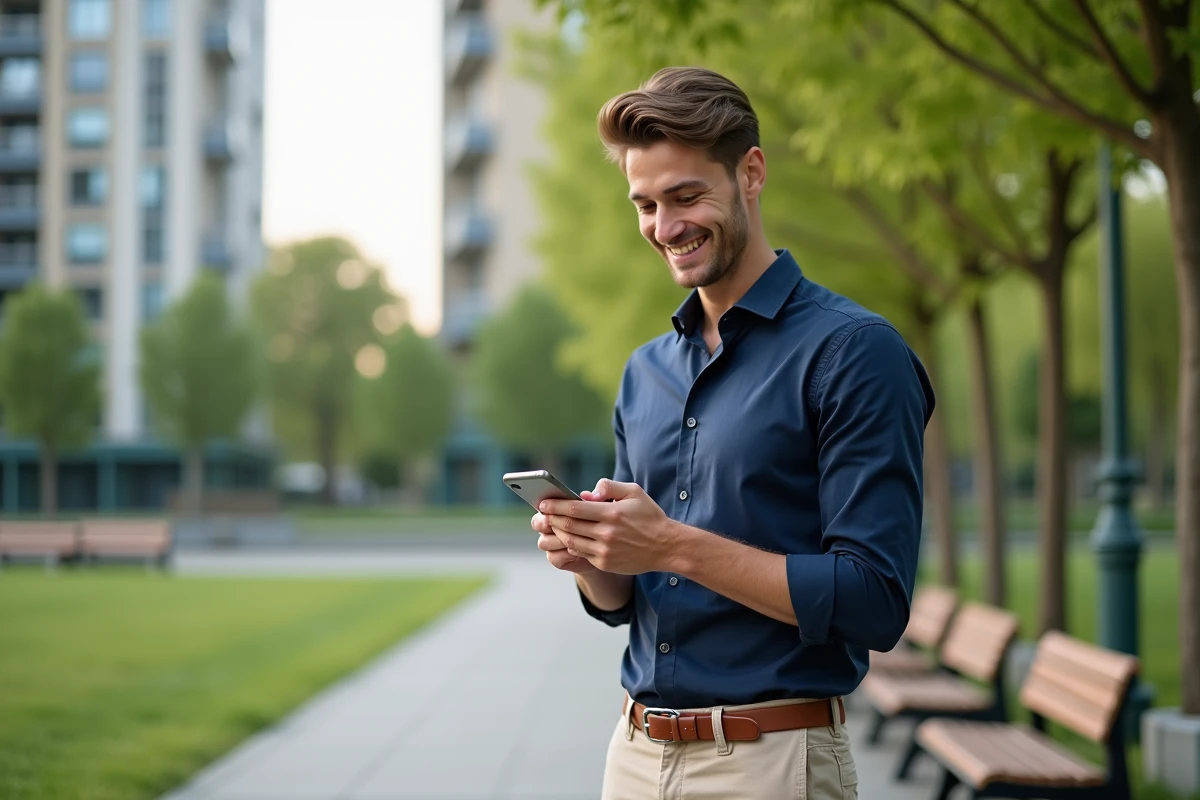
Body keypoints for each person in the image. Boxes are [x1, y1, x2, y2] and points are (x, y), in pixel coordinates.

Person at [532, 66, 935, 800]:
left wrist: (668, 544)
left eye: (687, 196)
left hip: (773, 762)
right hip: (633, 754)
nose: (665, 226)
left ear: (751, 173)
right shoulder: (644, 371)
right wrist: (594, 555)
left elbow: (874, 600)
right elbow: (626, 599)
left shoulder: (856, 354)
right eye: (646, 204)